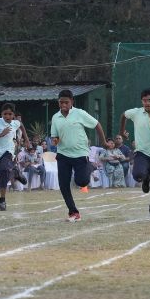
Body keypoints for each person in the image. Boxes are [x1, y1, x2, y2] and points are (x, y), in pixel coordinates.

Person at [51, 89, 107, 221]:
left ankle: (89, 167)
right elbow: (55, 136)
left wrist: (103, 141)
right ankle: (73, 212)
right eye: (61, 102)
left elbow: (96, 124)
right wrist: (55, 140)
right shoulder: (55, 117)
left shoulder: (79, 113)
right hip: (63, 155)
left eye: (66, 102)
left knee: (81, 181)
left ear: (72, 102)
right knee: (63, 185)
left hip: (80, 154)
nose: (63, 105)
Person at [120, 88, 150, 220]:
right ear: (141, 101)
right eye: (144, 100)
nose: (147, 103)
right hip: (142, 153)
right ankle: (145, 179)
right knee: (138, 175)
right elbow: (123, 115)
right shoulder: (136, 113)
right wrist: (122, 131)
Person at [0, 103, 30, 211]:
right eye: (5, 114)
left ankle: (2, 201)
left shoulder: (15, 123)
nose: (7, 116)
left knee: (4, 171)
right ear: (1, 114)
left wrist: (27, 140)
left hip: (8, 151)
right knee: (3, 172)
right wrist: (1, 134)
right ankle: (16, 172)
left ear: (13, 115)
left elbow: (21, 125)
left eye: (10, 114)